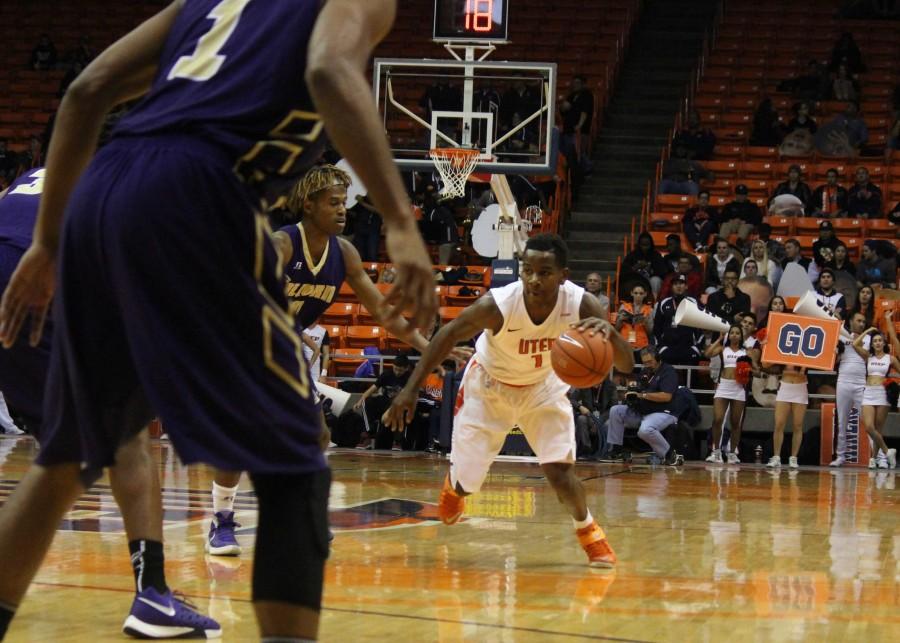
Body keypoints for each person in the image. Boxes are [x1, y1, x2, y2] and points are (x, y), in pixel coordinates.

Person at [0, 2, 439, 641]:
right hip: (198, 192)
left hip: (102, 192)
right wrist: (400, 220)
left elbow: (87, 90)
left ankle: (149, 590)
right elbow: (327, 68)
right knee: (299, 458)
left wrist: (46, 244)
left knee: (68, 454)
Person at [0, 167, 219, 637]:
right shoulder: (151, 179)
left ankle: (154, 594)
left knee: (113, 437)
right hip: (36, 274)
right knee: (81, 457)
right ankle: (153, 596)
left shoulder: (46, 172)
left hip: (17, 265)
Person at [207, 165, 468, 556]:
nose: (343, 210)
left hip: (286, 348)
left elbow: (383, 312)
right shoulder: (282, 244)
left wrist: (430, 347)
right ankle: (221, 522)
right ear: (308, 205)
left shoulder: (343, 253)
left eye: (344, 202)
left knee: (319, 435)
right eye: (333, 203)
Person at [383, 233, 635, 568]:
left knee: (560, 472)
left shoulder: (581, 304)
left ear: (563, 275)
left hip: (542, 387)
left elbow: (627, 365)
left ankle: (590, 535)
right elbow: (446, 334)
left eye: (544, 272)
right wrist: (410, 388)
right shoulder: (500, 304)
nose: (533, 279)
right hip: (490, 386)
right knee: (468, 485)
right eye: (527, 270)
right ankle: (454, 487)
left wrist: (610, 335)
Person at [604, 346, 684, 465]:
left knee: (645, 430)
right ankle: (616, 451)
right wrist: (630, 393)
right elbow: (638, 390)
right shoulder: (645, 372)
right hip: (643, 411)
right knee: (616, 410)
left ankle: (669, 455)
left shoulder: (668, 371)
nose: (647, 364)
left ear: (657, 358)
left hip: (663, 412)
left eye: (650, 361)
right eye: (644, 362)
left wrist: (643, 395)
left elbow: (666, 396)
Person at [852, 328, 898, 469]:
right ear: (872, 344)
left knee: (878, 428)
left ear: (884, 343)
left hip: (883, 393)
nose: (877, 343)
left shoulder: (890, 359)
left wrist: (893, 381)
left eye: (880, 341)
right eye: (875, 341)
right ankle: (887, 451)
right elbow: (855, 344)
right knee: (869, 427)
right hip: (869, 393)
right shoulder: (868, 357)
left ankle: (873, 459)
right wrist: (869, 330)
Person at [704, 325, 748, 463]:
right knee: (717, 419)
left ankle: (732, 453)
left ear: (741, 336)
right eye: (732, 333)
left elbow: (755, 367)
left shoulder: (745, 352)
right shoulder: (723, 349)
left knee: (735, 423)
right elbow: (708, 353)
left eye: (737, 333)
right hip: (723, 386)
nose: (734, 335)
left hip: (738, 388)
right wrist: (720, 338)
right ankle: (716, 451)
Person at [831, 311, 869, 466]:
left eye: (863, 321)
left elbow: (867, 356)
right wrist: (835, 353)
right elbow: (835, 360)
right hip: (843, 381)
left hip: (861, 383)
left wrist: (855, 342)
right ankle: (840, 456)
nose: (862, 324)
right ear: (851, 321)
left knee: (868, 422)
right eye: (859, 321)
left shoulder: (868, 337)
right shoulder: (841, 336)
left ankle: (877, 457)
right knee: (842, 421)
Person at [765, 357, 809, 469]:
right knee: (779, 424)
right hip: (785, 388)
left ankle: (793, 458)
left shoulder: (807, 354)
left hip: (800, 388)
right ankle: (776, 457)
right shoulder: (783, 352)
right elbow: (765, 364)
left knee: (798, 425)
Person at [654, 276, 703, 365]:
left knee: (691, 378)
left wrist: (697, 347)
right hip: (668, 348)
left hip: (689, 348)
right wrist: (661, 347)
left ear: (686, 286)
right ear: (672, 287)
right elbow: (657, 327)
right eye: (675, 284)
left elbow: (703, 325)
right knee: (667, 376)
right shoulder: (663, 303)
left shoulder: (694, 302)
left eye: (681, 283)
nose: (678, 286)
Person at [622, 232, 668, 297]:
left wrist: (651, 270)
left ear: (651, 244)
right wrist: (635, 267)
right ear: (639, 244)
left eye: (647, 245)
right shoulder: (632, 255)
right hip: (636, 280)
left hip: (650, 281)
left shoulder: (656, 255)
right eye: (643, 245)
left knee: (656, 280)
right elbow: (624, 271)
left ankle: (654, 301)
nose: (645, 247)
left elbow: (663, 272)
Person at [615, 284, 653, 358]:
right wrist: (620, 320)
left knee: (640, 368)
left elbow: (650, 332)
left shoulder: (649, 310)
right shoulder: (624, 307)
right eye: (636, 293)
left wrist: (646, 323)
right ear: (631, 293)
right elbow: (616, 329)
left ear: (645, 294)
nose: (638, 295)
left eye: (641, 293)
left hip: (642, 346)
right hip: (625, 344)